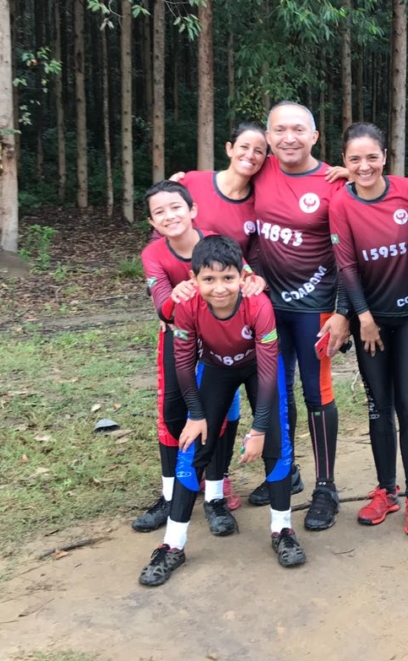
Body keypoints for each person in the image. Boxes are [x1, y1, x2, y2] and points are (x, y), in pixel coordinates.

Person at [138, 235, 303, 586]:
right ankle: (172, 545)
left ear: (241, 277)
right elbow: (184, 364)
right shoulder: (188, 305)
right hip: (214, 369)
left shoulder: (258, 304)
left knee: (277, 445)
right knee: (191, 451)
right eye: (209, 279)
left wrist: (259, 430)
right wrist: (196, 415)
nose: (219, 288)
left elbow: (269, 373)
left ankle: (282, 530)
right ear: (194, 279)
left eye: (228, 278)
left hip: (258, 369)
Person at [134, 181, 265, 537]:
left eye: (176, 207)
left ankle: (216, 494)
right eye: (159, 212)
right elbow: (163, 309)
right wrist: (175, 297)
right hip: (177, 335)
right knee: (171, 410)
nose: (169, 216)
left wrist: (256, 282)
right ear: (152, 222)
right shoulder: (153, 254)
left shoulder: (216, 243)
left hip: (221, 340)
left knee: (218, 413)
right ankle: (169, 495)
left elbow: (248, 282)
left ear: (192, 210)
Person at [171, 122, 285, 510]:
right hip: (190, 303)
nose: (251, 156)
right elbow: (166, 225)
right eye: (244, 147)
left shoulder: (260, 199)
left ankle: (219, 483)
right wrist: (169, 293)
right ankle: (178, 489)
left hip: (236, 310)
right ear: (228, 147)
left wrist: (257, 278)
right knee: (193, 401)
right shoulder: (193, 183)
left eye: (259, 151)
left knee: (231, 402)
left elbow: (256, 253)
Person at [251, 101, 351, 531]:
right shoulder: (258, 170)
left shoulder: (334, 183)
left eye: (298, 130)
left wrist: (344, 313)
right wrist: (182, 182)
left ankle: (326, 488)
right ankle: (286, 471)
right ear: (268, 137)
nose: (288, 138)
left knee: (316, 391)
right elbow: (213, 187)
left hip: (316, 307)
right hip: (269, 307)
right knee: (275, 391)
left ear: (314, 136)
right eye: (279, 130)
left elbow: (351, 254)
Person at [328, 123, 408, 537]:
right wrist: (364, 318)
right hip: (370, 320)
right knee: (378, 406)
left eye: (372, 157)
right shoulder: (341, 201)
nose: (364, 166)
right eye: (354, 159)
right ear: (344, 161)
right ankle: (386, 490)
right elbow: (347, 265)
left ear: (386, 156)